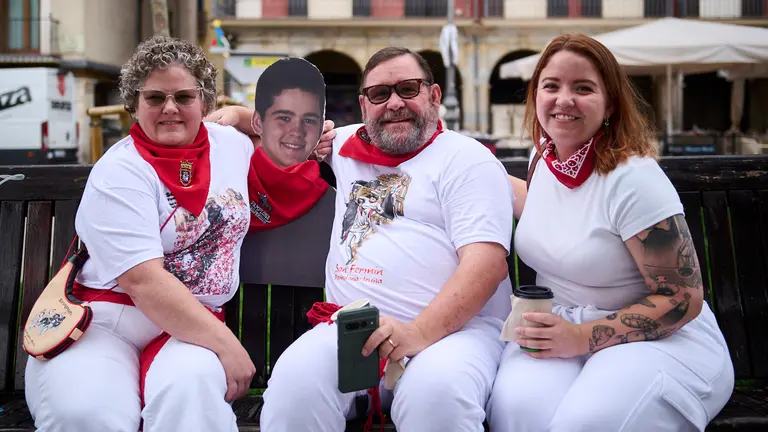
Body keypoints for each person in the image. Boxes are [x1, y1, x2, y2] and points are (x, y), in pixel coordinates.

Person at [207, 47, 514, 432]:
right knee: (293, 387)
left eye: (408, 88)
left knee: (435, 396)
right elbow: (284, 130)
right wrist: (239, 115)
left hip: (454, 335)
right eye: (380, 94)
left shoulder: (467, 160)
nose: (394, 103)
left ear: (434, 95)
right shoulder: (345, 144)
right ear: (364, 105)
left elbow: (485, 266)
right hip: (353, 327)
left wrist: (416, 333)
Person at [486, 34, 734, 431]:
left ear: (611, 103)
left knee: (586, 423)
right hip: (560, 326)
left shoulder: (633, 179)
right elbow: (548, 209)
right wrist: (471, 170)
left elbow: (682, 298)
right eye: (551, 86)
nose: (564, 99)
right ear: (535, 95)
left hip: (655, 337)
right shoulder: (544, 157)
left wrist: (580, 337)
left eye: (583, 88)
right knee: (518, 411)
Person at [24, 35, 257, 432]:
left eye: (184, 97)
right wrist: (227, 345)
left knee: (192, 397)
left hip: (192, 325)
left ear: (204, 101)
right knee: (86, 414)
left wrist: (238, 113)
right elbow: (143, 282)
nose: (170, 108)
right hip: (107, 321)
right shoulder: (120, 171)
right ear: (134, 104)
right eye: (154, 98)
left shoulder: (231, 144)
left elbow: (279, 132)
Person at [251, 57, 326, 168]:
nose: (297, 132)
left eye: (308, 120)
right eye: (284, 118)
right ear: (257, 122)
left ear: (321, 127)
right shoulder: (235, 173)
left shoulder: (337, 176)